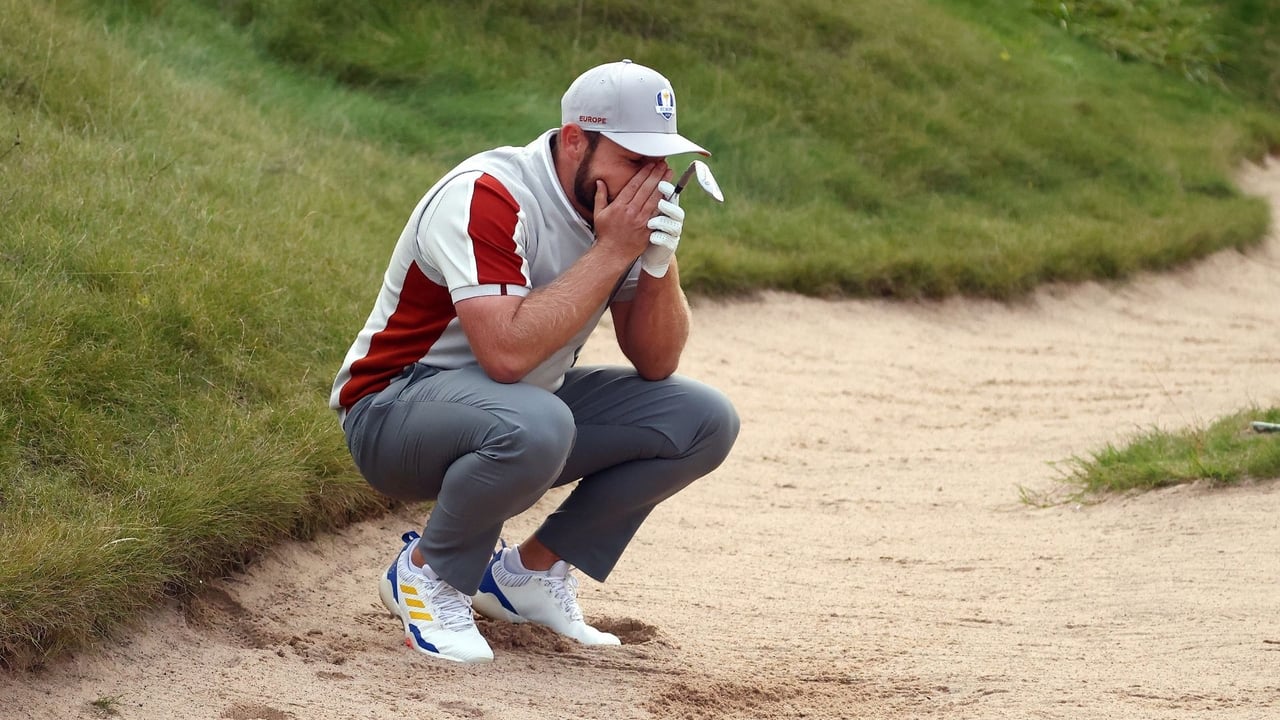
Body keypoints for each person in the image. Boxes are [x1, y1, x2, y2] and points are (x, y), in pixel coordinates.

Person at [329, 59, 741, 663]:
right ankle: (428, 572)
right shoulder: (489, 194)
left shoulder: (615, 216)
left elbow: (657, 361)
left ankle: (526, 576)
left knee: (702, 420)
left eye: (660, 163)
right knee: (537, 421)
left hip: (516, 408)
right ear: (576, 140)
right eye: (633, 160)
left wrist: (656, 263)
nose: (650, 181)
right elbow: (506, 355)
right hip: (393, 409)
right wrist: (615, 249)